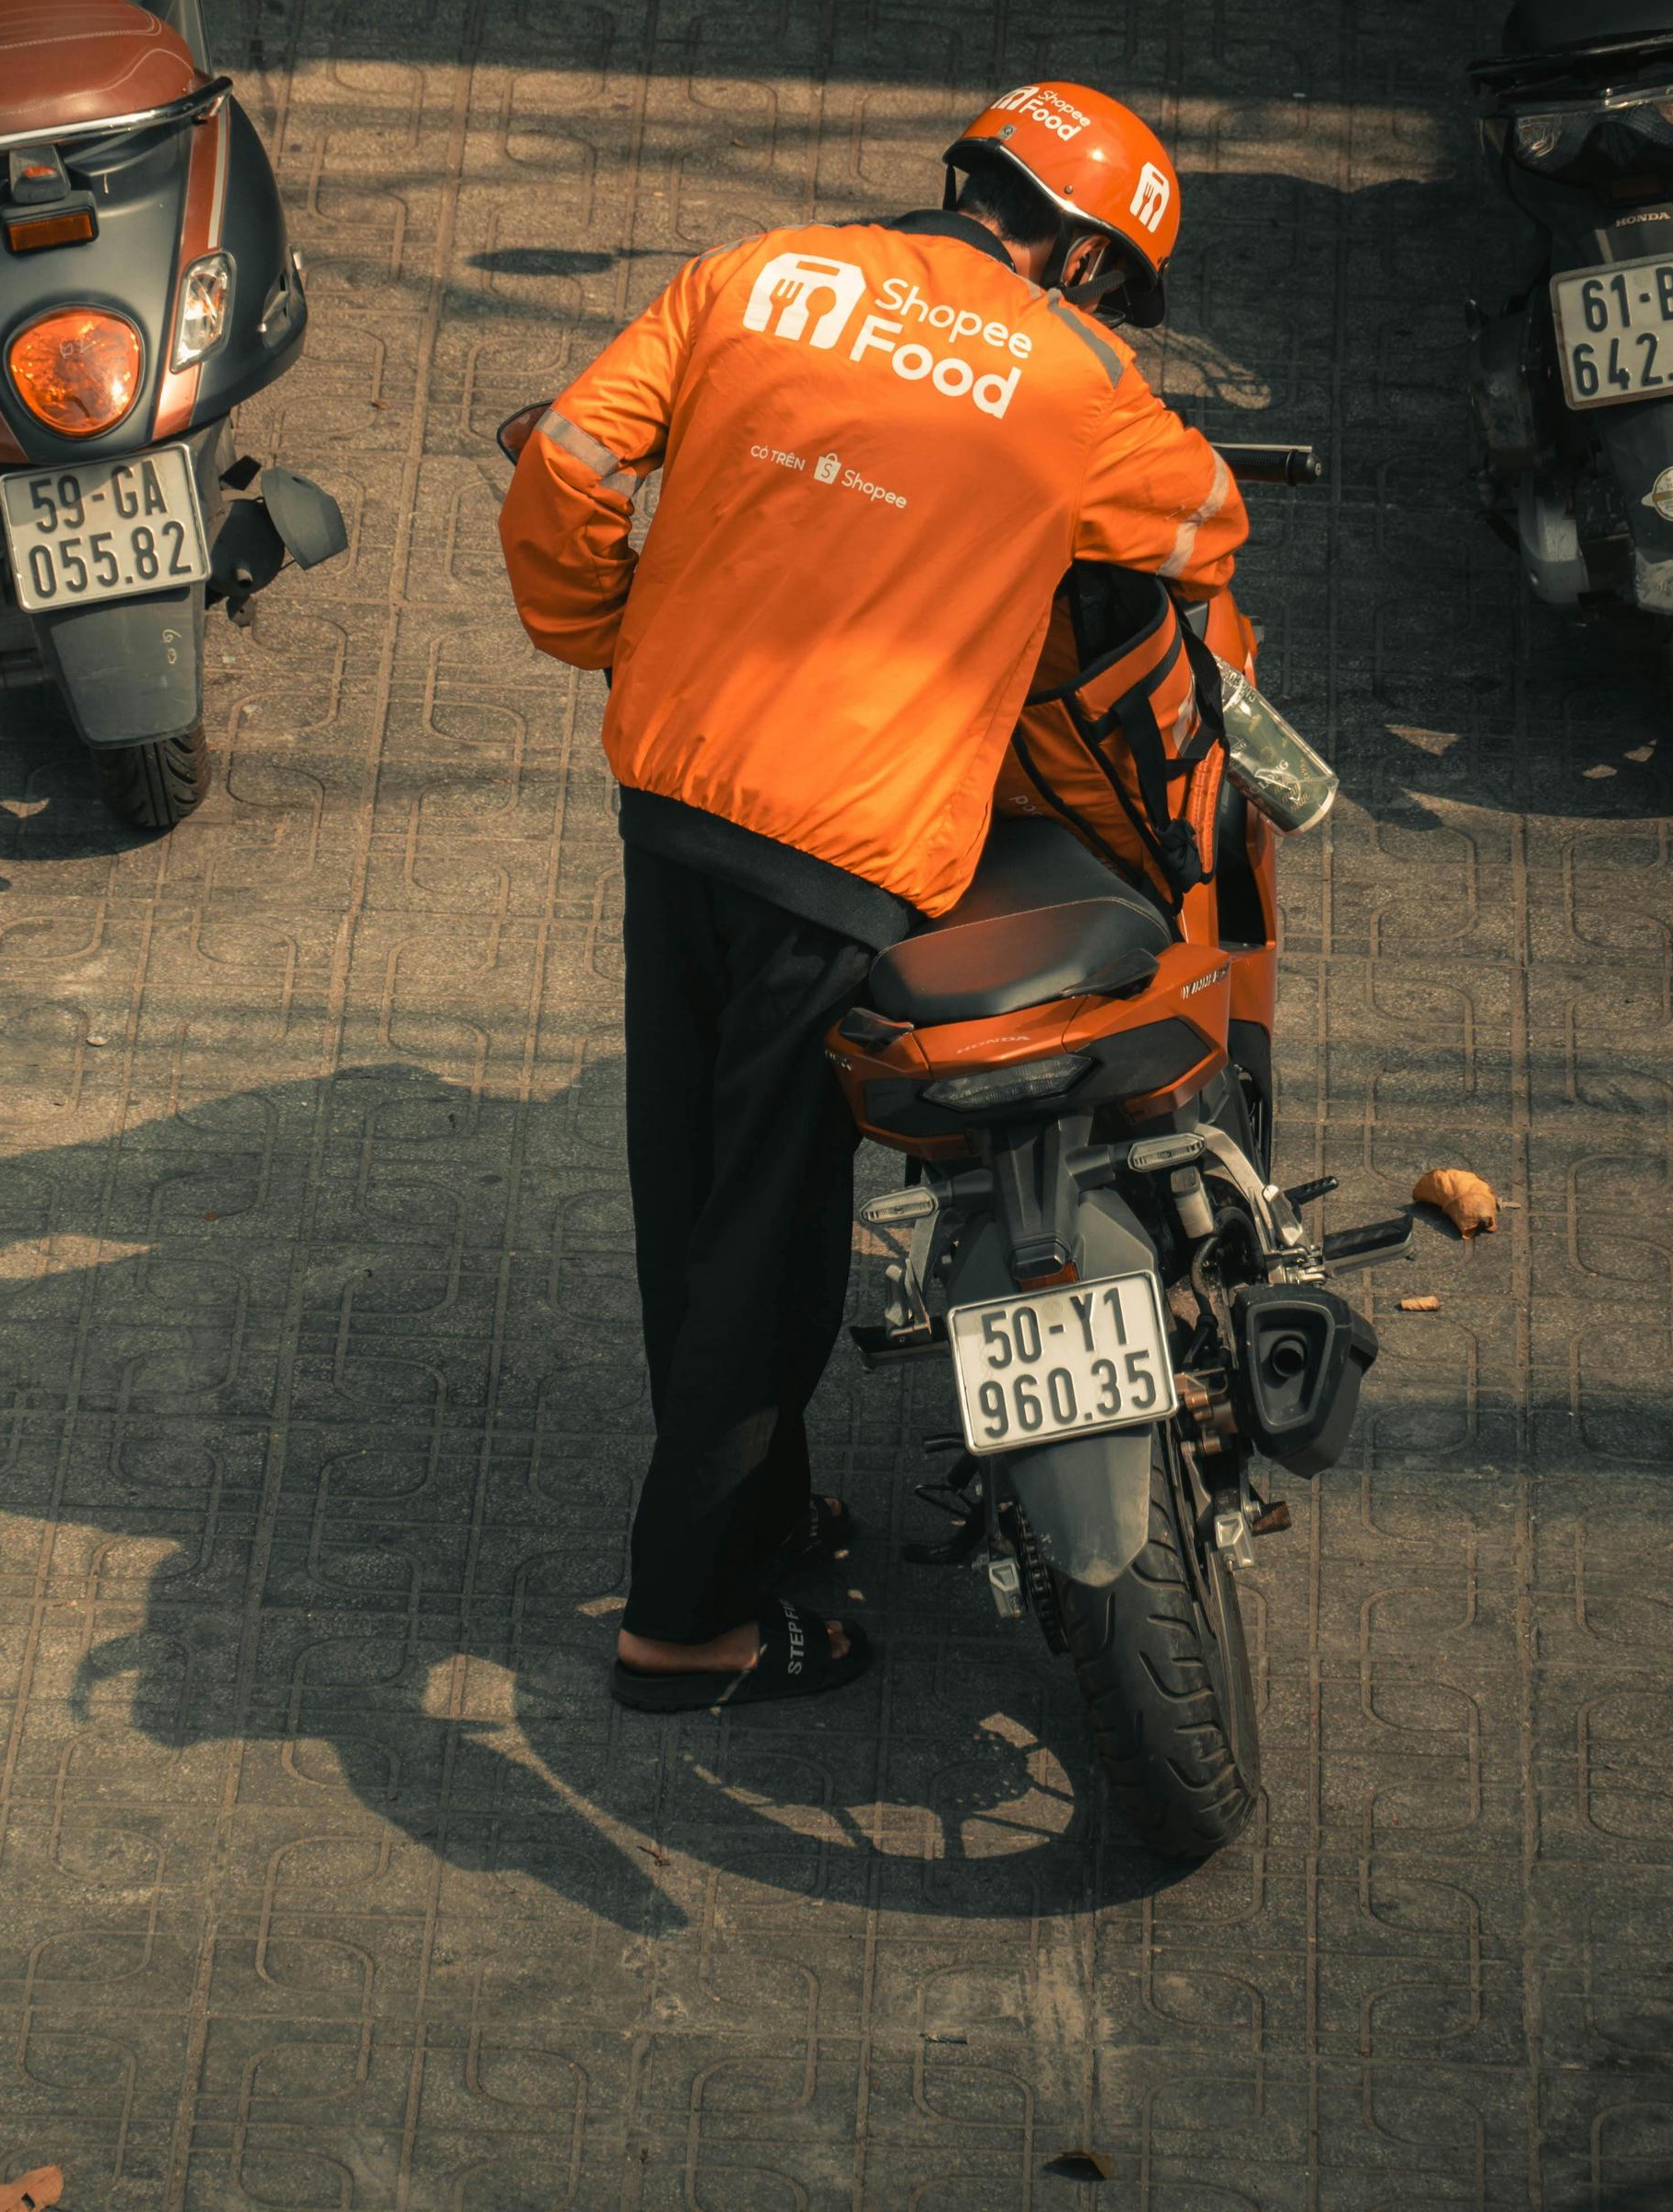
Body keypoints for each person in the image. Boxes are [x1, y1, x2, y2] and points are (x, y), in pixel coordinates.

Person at [499, 84, 1248, 1711]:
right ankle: (681, 1625)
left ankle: (762, 1510)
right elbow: (1204, 520)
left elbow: (565, 461)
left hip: (674, 801)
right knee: (771, 1248)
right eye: (1109, 279)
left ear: (970, 178)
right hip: (844, 858)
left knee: (691, 1201)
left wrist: (606, 630)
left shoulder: (750, 275)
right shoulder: (1078, 375)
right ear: (1085, 257)